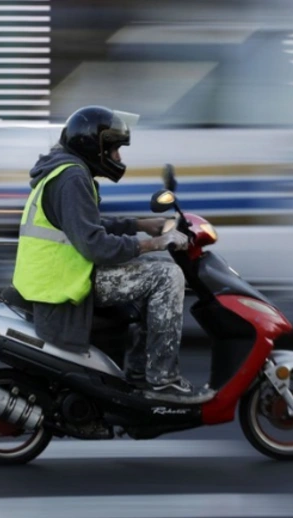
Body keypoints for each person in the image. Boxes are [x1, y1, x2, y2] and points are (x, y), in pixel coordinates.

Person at [12, 105, 210, 403]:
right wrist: (151, 244)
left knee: (152, 269)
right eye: (115, 149)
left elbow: (84, 226)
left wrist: (140, 225)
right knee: (167, 275)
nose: (118, 158)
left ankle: (139, 373)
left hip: (56, 276)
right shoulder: (72, 178)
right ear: (94, 146)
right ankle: (163, 380)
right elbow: (95, 245)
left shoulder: (65, 171)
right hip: (65, 283)